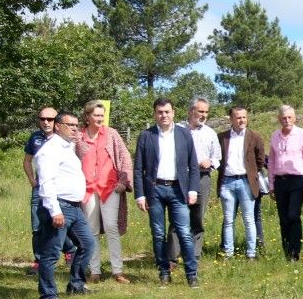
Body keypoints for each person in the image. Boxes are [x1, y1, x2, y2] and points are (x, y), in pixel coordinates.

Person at [134, 98, 199, 287]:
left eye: (167, 112)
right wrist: (140, 194)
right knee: (158, 234)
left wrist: (193, 189)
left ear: (173, 113)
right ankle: (163, 272)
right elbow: (138, 168)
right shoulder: (146, 136)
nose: (164, 115)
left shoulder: (184, 134)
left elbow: (193, 165)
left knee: (185, 233)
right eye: (160, 112)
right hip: (155, 189)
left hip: (179, 189)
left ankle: (191, 274)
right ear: (155, 114)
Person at [34, 112, 95, 299]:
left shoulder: (68, 148)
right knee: (51, 254)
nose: (75, 129)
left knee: (88, 244)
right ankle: (47, 296)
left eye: (77, 125)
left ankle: (76, 284)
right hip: (59, 206)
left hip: (74, 208)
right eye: (70, 125)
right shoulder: (50, 150)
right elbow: (45, 182)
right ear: (58, 126)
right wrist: (55, 210)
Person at [77, 100, 133, 284]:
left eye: (102, 115)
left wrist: (123, 181)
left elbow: (124, 157)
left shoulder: (111, 134)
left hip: (109, 187)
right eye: (96, 115)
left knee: (111, 227)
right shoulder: (79, 137)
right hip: (87, 189)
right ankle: (95, 271)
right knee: (91, 230)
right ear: (87, 116)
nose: (100, 118)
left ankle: (117, 271)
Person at [24, 106, 74, 274]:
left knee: (62, 223)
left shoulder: (65, 139)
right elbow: (27, 161)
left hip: (60, 190)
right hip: (40, 189)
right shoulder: (35, 138)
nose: (45, 122)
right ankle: (39, 261)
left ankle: (70, 252)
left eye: (50, 119)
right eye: (42, 119)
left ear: (57, 122)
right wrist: (32, 181)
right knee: (37, 226)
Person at [171, 97, 221, 262]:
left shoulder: (210, 133)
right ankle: (172, 257)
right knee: (177, 216)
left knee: (197, 218)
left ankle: (193, 256)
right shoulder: (176, 129)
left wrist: (211, 162)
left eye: (206, 112)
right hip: (179, 178)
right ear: (191, 111)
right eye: (200, 111)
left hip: (201, 178)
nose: (204, 115)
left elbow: (218, 158)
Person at [217, 105, 265, 260]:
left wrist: (251, 173)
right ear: (231, 119)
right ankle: (228, 253)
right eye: (238, 117)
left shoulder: (255, 136)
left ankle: (251, 253)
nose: (242, 120)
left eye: (244, 116)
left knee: (249, 219)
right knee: (228, 219)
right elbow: (218, 159)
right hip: (227, 183)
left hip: (246, 182)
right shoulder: (222, 137)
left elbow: (260, 160)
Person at [268, 105, 303, 261]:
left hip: (297, 180)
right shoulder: (275, 136)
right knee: (283, 218)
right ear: (279, 119)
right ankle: (287, 252)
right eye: (283, 118)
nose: (286, 120)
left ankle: (295, 252)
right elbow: (272, 161)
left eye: (289, 117)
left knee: (293, 215)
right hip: (280, 181)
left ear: (295, 118)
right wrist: (271, 185)